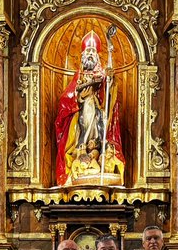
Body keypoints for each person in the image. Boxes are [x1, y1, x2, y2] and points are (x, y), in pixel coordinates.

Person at [54, 31, 125, 186]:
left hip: (97, 109)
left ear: (97, 56)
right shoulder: (79, 75)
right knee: (82, 124)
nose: (91, 54)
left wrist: (110, 79)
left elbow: (108, 93)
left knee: (100, 125)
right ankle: (81, 150)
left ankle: (97, 150)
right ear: (83, 55)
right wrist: (79, 98)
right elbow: (66, 98)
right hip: (81, 111)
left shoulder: (101, 74)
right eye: (88, 51)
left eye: (93, 51)